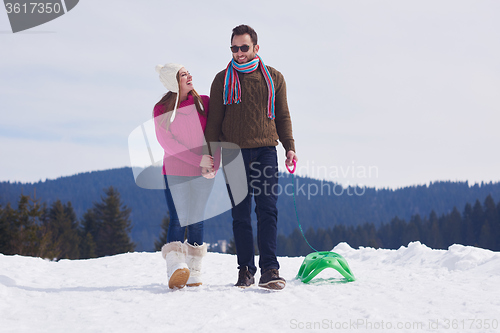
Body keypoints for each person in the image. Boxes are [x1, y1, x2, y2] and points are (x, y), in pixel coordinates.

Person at [205, 25, 298, 290]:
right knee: (240, 214)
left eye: (244, 48)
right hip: (233, 153)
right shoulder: (222, 80)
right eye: (234, 48)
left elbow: (282, 116)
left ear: (256, 48)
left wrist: (289, 146)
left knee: (267, 210)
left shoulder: (274, 78)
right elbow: (214, 122)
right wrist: (210, 154)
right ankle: (245, 269)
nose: (239, 53)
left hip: (266, 150)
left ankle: (270, 268)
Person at [153, 63, 218, 289]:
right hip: (175, 172)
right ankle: (176, 267)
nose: (189, 75)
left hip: (202, 172)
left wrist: (213, 164)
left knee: (197, 219)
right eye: (183, 74)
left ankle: (195, 270)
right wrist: (197, 160)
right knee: (179, 218)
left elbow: (215, 134)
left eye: (188, 72)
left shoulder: (204, 103)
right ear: (174, 81)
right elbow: (167, 143)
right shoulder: (161, 109)